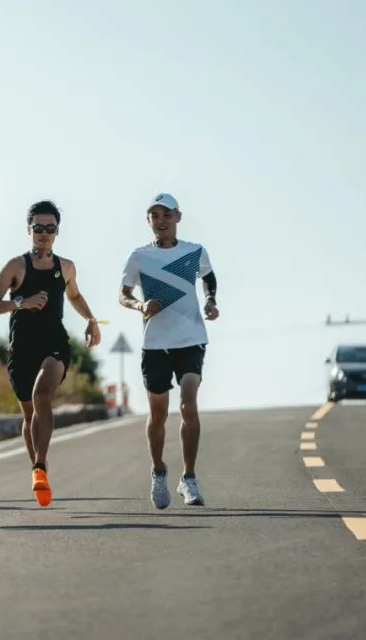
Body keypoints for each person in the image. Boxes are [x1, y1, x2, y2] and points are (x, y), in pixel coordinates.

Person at [0, 200, 101, 507]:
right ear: (29, 229)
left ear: (57, 231)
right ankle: (38, 471)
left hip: (54, 343)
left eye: (50, 228)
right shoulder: (16, 266)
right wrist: (20, 302)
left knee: (42, 394)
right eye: (38, 228)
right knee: (29, 412)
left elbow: (74, 295)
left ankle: (40, 464)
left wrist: (91, 320)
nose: (44, 234)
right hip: (21, 348)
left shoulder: (66, 268)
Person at [119, 193, 219, 508]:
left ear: (177, 216)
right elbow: (123, 294)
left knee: (189, 405)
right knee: (158, 414)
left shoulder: (194, 251)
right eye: (154, 216)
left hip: (190, 339)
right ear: (148, 221)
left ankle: (189, 478)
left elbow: (209, 277)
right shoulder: (139, 256)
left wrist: (211, 301)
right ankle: (159, 471)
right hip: (155, 344)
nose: (160, 221)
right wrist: (140, 305)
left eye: (166, 215)